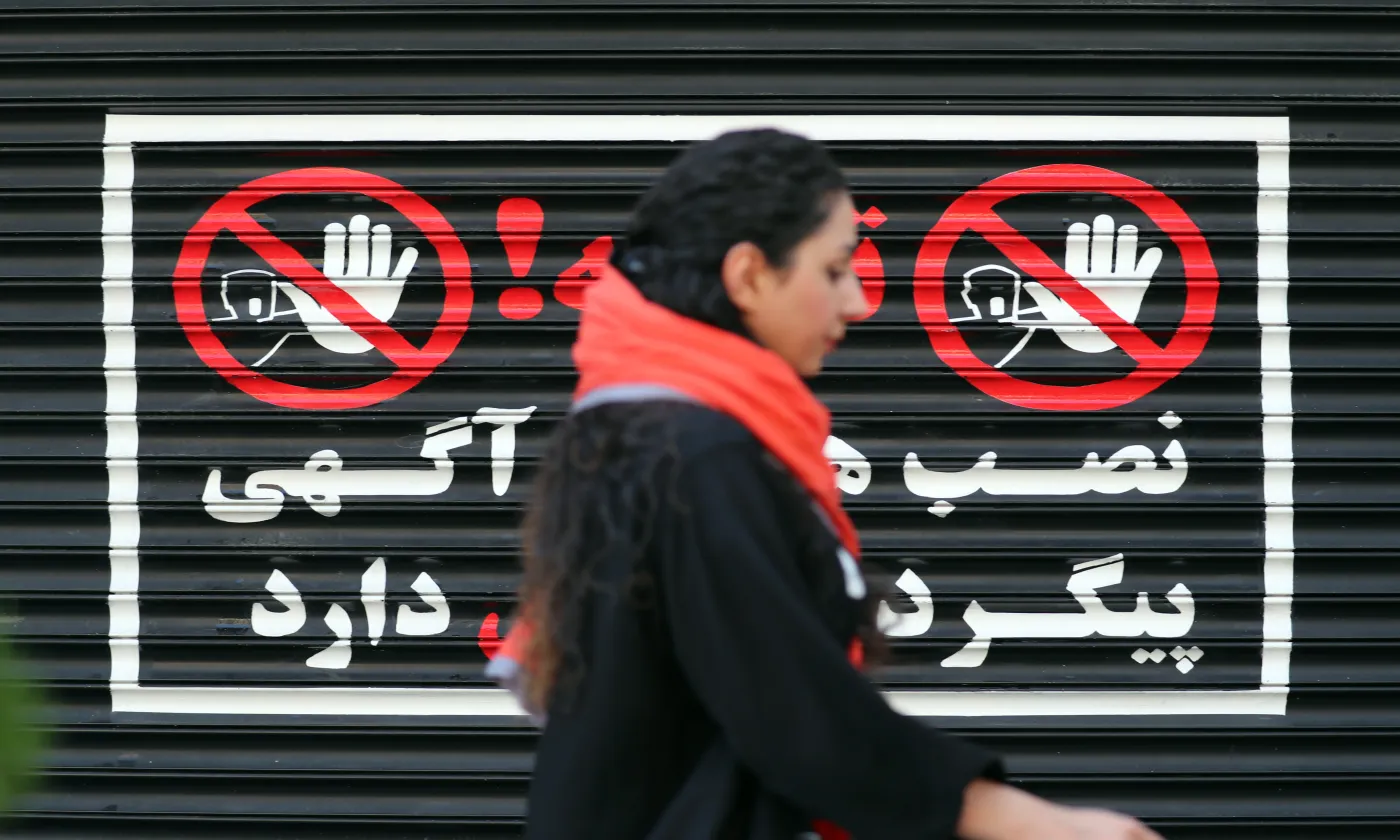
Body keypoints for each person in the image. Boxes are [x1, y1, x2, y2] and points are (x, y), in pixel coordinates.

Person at [488, 129, 1164, 840]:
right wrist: (1044, 826)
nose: (860, 302)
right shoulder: (699, 456)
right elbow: (797, 715)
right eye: (835, 270)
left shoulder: (638, 430)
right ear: (749, 276)